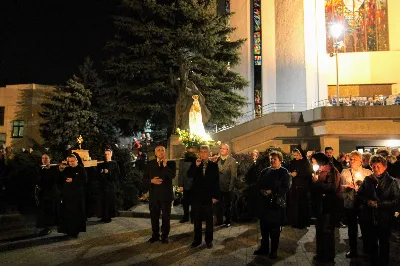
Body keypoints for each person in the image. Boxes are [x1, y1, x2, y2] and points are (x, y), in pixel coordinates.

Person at [357, 155, 400, 266]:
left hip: (384, 218)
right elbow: (359, 195)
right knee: (372, 244)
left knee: (384, 243)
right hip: (370, 217)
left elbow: (396, 201)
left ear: (385, 167)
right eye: (373, 166)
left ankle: (384, 262)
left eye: (378, 166)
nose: (376, 169)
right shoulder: (368, 180)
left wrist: (379, 204)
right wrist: (367, 202)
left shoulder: (392, 182)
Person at [253, 151, 290, 259]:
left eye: (275, 159)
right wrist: (261, 191)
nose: (272, 160)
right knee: (264, 228)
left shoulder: (284, 172)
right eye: (271, 158)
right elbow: (259, 184)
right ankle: (264, 248)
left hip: (275, 205)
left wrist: (273, 192)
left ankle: (274, 251)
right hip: (264, 204)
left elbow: (286, 187)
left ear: (280, 160)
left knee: (274, 230)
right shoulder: (265, 171)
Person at [341, 151, 372, 258]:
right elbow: (339, 187)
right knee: (352, 228)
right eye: (350, 159)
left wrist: (361, 187)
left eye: (354, 159)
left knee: (365, 227)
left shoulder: (367, 173)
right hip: (350, 203)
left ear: (360, 161)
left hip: (363, 205)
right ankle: (353, 250)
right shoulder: (345, 172)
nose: (352, 161)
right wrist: (346, 187)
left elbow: (371, 189)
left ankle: (367, 250)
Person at [311, 152, 341, 263]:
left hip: (328, 206)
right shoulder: (320, 171)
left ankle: (328, 256)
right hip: (320, 205)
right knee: (320, 230)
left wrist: (317, 182)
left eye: (313, 162)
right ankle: (320, 253)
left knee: (327, 231)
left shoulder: (331, 171)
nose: (312, 164)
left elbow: (331, 188)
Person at [143, 145, 176, 244]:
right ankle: (155, 235)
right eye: (158, 150)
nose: (161, 152)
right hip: (154, 196)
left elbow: (172, 176)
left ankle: (165, 236)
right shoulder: (150, 164)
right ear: (155, 153)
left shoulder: (171, 163)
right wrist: (151, 181)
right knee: (154, 217)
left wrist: (165, 166)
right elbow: (144, 179)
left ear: (165, 152)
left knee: (166, 217)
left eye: (162, 150)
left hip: (166, 196)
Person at [188, 145, 219, 248]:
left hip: (208, 196)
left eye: (205, 152)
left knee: (209, 220)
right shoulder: (196, 163)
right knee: (197, 219)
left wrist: (215, 196)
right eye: (201, 152)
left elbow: (216, 182)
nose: (203, 153)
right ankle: (197, 240)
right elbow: (189, 175)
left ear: (209, 153)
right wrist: (196, 166)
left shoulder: (213, 166)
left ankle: (209, 240)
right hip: (197, 196)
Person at [58, 154, 87, 238]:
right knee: (68, 214)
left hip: (77, 196)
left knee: (76, 214)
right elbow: (60, 179)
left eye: (72, 161)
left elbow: (84, 180)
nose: (71, 163)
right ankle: (68, 230)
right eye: (69, 161)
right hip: (67, 196)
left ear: (76, 161)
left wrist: (73, 180)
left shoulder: (81, 169)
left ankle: (75, 232)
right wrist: (60, 170)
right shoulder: (67, 169)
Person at [35, 153, 60, 236]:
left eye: (46, 158)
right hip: (44, 193)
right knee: (44, 211)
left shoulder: (54, 169)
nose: (44, 160)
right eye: (43, 158)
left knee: (52, 210)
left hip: (52, 193)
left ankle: (50, 227)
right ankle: (46, 227)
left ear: (50, 159)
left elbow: (55, 180)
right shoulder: (41, 169)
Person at [288, 148, 312, 229]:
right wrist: (291, 174)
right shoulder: (292, 162)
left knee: (302, 206)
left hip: (303, 187)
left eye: (297, 155)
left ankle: (302, 223)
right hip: (295, 187)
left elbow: (308, 173)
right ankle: (295, 222)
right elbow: (289, 170)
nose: (295, 157)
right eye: (294, 155)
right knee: (295, 206)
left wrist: (297, 174)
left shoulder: (305, 162)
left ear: (300, 154)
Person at [214, 143, 237, 227]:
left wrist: (231, 187)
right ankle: (219, 220)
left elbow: (233, 175)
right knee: (218, 205)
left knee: (227, 205)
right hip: (218, 186)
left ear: (227, 150)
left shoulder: (232, 160)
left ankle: (228, 220)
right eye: (221, 148)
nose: (221, 150)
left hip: (227, 187)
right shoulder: (217, 159)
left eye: (224, 148)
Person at [97, 149, 120, 223]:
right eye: (105, 154)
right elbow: (98, 174)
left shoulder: (114, 164)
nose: (106, 156)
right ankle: (103, 216)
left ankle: (108, 217)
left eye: (108, 154)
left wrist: (108, 172)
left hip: (110, 186)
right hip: (102, 185)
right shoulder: (102, 164)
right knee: (103, 201)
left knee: (109, 202)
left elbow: (116, 175)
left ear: (111, 155)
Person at [178, 148, 197, 223]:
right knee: (186, 202)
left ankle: (192, 217)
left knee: (193, 202)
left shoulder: (196, 161)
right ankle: (186, 217)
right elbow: (180, 173)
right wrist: (180, 184)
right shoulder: (182, 161)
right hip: (186, 184)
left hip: (194, 185)